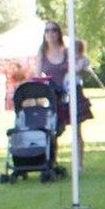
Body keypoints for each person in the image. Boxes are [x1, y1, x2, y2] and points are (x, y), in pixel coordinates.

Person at [37, 21, 93, 166]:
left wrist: (80, 70)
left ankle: (79, 165)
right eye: (47, 30)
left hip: (72, 93)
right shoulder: (42, 53)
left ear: (59, 33)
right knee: (53, 131)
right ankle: (52, 161)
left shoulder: (68, 51)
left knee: (77, 131)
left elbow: (83, 66)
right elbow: (38, 76)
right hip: (53, 96)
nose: (50, 33)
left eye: (54, 30)